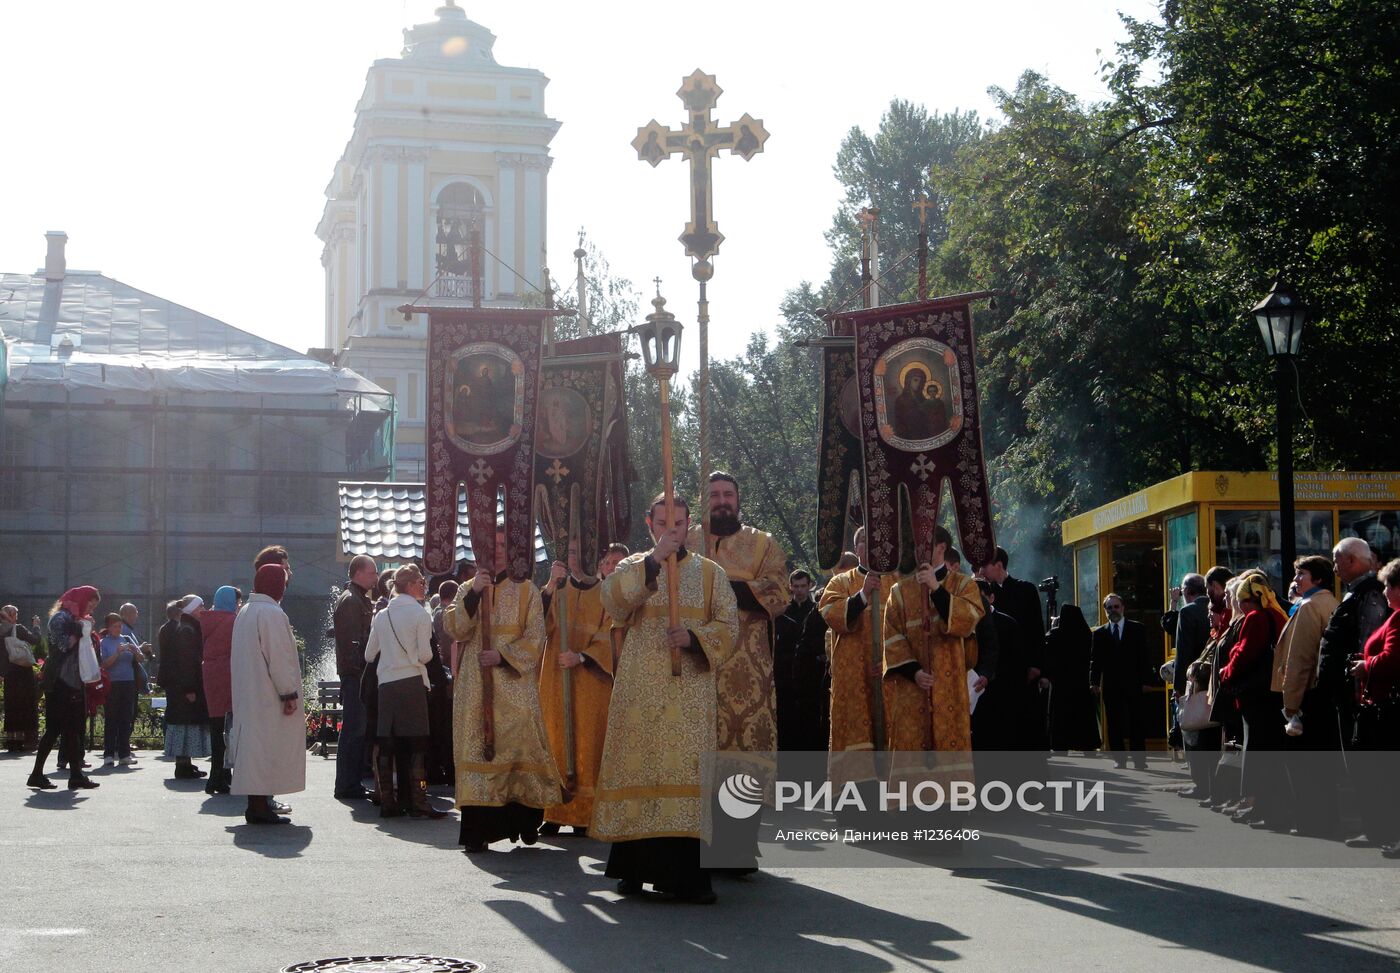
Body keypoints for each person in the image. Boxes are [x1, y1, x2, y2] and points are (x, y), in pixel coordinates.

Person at [593, 493, 738, 903]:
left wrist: (694, 638)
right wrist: (653, 561)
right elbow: (614, 604)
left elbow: (729, 625)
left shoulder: (710, 574)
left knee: (687, 779)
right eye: (662, 523)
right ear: (649, 523)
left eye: (677, 524)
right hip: (640, 691)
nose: (670, 530)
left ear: (689, 524)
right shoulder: (631, 566)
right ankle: (633, 870)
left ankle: (688, 877)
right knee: (641, 773)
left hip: (689, 692)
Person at [686, 471, 789, 871]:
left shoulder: (763, 544)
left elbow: (778, 594)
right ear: (704, 500)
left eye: (728, 494)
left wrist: (720, 586)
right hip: (697, 666)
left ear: (738, 499)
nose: (722, 501)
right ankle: (694, 844)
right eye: (714, 495)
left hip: (748, 672)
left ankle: (740, 848)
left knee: (744, 756)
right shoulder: (687, 542)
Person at [443, 525, 562, 852]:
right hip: (476, 685)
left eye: (502, 544)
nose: (496, 550)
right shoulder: (469, 587)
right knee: (478, 748)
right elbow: (454, 628)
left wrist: (503, 655)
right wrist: (473, 595)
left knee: (520, 747)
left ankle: (523, 821)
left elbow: (536, 637)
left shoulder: (527, 591)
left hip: (513, 684)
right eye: (490, 544)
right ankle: (478, 832)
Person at [883, 524, 983, 792]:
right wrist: (913, 671)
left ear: (941, 548)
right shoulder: (899, 592)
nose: (917, 552)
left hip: (949, 690)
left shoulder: (964, 584)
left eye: (923, 545)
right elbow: (892, 638)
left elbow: (969, 621)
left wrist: (937, 589)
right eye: (914, 546)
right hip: (913, 687)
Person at [538, 542, 627, 836]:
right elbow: (538, 624)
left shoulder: (607, 595)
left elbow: (611, 634)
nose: (577, 559)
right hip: (555, 675)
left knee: (588, 741)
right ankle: (553, 811)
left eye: (583, 553)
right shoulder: (559, 589)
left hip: (591, 679)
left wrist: (582, 657)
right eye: (572, 553)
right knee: (555, 737)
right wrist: (550, 586)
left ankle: (584, 814)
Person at [818, 527, 896, 801]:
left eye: (875, 540)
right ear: (857, 547)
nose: (869, 546)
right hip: (853, 678)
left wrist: (890, 662)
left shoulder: (897, 581)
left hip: (891, 676)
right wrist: (863, 595)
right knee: (856, 737)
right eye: (863, 541)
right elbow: (831, 614)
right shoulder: (841, 582)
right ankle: (854, 804)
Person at [363, 563, 446, 820]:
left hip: (386, 683)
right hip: (411, 681)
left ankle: (388, 801)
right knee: (417, 744)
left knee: (387, 744)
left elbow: (369, 654)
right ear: (410, 585)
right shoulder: (421, 615)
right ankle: (419, 800)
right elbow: (425, 654)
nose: (424, 586)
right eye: (421, 582)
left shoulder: (382, 615)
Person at [229, 563, 306, 825]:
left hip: (250, 692)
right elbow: (279, 658)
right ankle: (260, 807)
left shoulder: (247, 611)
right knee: (266, 749)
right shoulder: (271, 613)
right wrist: (288, 693)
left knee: (254, 750)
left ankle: (257, 804)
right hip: (268, 695)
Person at [1272, 555, 1342, 836]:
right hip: (1325, 696)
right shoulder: (1331, 602)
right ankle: (1326, 819)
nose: (1296, 579)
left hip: (1308, 697)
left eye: (1302, 574)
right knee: (1324, 767)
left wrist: (1290, 705)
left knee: (1303, 766)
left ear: (1319, 579)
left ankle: (1310, 821)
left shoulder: (1310, 606)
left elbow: (1299, 659)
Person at [1217, 571, 1290, 830]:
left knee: (1257, 753)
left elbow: (1244, 654)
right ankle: (1268, 809)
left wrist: (1225, 672)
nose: (1240, 605)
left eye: (1241, 600)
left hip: (1255, 695)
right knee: (1268, 753)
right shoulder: (1275, 615)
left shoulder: (1256, 618)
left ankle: (1266, 810)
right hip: (1271, 693)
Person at [1320, 538, 1389, 775]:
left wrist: (1359, 689)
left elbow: (1368, 642)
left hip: (1356, 695)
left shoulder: (1369, 593)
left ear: (1351, 560)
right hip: (1347, 692)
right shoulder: (1357, 592)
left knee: (1363, 768)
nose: (1334, 567)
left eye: (1336, 560)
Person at [1348, 558, 1400, 856]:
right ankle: (1383, 831)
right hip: (1384, 704)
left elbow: (1393, 659)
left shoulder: (1399, 618)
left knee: (1387, 777)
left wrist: (1365, 665)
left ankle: (1388, 832)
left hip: (1388, 707)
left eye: (1389, 586)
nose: (1385, 592)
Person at [28, 586, 103, 790]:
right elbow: (64, 645)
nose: (92, 609)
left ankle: (75, 775)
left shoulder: (74, 618)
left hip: (72, 680)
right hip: (60, 681)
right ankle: (38, 774)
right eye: (91, 604)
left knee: (71, 729)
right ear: (80, 600)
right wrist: (81, 629)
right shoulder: (60, 619)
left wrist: (86, 631)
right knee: (56, 728)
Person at [980, 547, 1048, 750]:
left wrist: (1037, 665)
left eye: (985, 565)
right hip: (994, 672)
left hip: (1021, 670)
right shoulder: (984, 595)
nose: (982, 571)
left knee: (1025, 727)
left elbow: (1037, 629)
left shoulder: (1025, 589)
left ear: (999, 565)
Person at [1090, 594, 1155, 769]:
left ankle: (1139, 760)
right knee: (1114, 724)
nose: (1113, 611)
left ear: (1123, 608)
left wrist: (1147, 681)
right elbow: (1096, 661)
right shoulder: (1100, 634)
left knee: (1136, 722)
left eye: (1116, 607)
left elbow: (1145, 657)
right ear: (1105, 611)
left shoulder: (1137, 629)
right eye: (1109, 608)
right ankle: (1119, 760)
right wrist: (1094, 682)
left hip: (1133, 683)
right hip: (1111, 685)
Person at [332, 555, 377, 801]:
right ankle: (347, 784)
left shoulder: (357, 598)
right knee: (353, 730)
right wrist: (361, 671)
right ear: (358, 573)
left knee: (356, 730)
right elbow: (352, 642)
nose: (376, 577)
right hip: (355, 674)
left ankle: (351, 782)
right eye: (372, 573)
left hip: (356, 673)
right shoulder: (351, 601)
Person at [774, 568, 829, 752]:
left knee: (810, 718)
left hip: (810, 675)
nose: (799, 590)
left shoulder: (817, 612)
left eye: (803, 586)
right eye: (796, 586)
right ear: (790, 587)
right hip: (786, 675)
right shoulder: (782, 613)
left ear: (810, 586)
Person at [162, 595, 211, 780]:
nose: (203, 609)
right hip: (184, 687)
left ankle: (185, 764)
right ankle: (182, 766)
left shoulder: (186, 626)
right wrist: (189, 688)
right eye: (200, 606)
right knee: (184, 724)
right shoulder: (187, 630)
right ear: (192, 608)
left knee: (185, 724)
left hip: (181, 686)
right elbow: (186, 661)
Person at [1044, 604, 1102, 756]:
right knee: (1083, 717)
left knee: (1061, 717)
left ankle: (1060, 746)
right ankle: (1088, 745)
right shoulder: (1086, 634)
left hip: (1061, 684)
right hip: (1081, 684)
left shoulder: (1056, 634)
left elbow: (1048, 655)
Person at [200, 586, 239, 795]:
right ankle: (220, 775)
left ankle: (218, 775)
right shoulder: (232, 621)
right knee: (229, 728)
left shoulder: (208, 620)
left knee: (216, 726)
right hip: (228, 675)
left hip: (211, 674)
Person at [98, 612, 139, 768]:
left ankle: (124, 754)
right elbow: (104, 664)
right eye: (115, 626)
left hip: (128, 682)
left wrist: (137, 652)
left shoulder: (126, 639)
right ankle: (108, 754)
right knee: (111, 718)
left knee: (125, 719)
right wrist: (117, 652)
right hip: (112, 683)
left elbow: (140, 659)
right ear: (108, 627)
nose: (118, 629)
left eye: (120, 626)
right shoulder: (104, 643)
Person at [2, 605, 43, 753]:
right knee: (25, 705)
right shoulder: (18, 629)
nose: (17, 616)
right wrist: (36, 626)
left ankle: (12, 740)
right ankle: (25, 740)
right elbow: (35, 640)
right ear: (12, 615)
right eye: (16, 613)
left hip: (9, 674)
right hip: (23, 672)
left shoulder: (1, 630)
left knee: (11, 706)